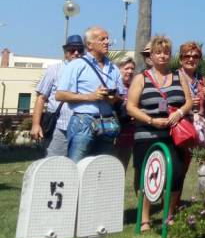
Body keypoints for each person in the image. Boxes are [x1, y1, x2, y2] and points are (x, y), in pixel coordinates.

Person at [125, 35, 193, 231]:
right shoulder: (141, 78)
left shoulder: (179, 76)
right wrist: (151, 120)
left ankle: (168, 213)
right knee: (148, 175)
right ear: (151, 56)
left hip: (173, 134)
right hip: (147, 134)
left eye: (166, 52)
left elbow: (188, 101)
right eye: (158, 52)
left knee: (177, 173)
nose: (162, 56)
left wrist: (179, 113)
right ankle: (145, 218)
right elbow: (131, 107)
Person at [55, 26, 126, 162]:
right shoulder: (76, 65)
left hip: (107, 123)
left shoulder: (113, 68)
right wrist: (90, 96)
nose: (107, 42)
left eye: (107, 39)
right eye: (102, 39)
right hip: (83, 122)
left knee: (100, 168)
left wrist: (113, 98)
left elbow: (120, 96)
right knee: (76, 165)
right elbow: (60, 95)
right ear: (89, 44)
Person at [31, 35, 84, 156]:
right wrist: (35, 125)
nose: (76, 53)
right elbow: (41, 98)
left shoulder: (87, 72)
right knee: (54, 165)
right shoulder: (54, 70)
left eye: (80, 50)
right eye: (72, 50)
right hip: (58, 127)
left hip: (81, 129)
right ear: (65, 52)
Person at [113, 57, 137, 168]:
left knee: (122, 168)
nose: (130, 71)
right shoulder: (113, 87)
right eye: (126, 68)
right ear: (118, 70)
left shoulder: (136, 88)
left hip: (128, 136)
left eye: (132, 69)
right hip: (113, 135)